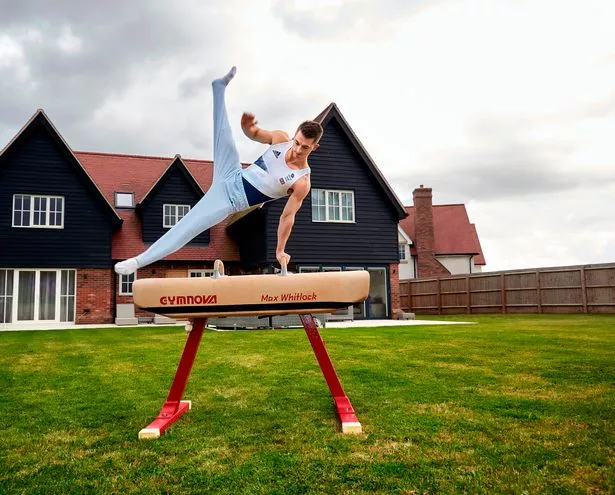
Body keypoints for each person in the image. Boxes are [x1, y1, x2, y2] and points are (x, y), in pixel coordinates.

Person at [114, 66, 323, 275]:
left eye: (304, 147)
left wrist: (280, 251)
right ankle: (219, 87)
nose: (297, 150)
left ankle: (137, 262)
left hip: (228, 201)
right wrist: (246, 127)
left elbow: (287, 217)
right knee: (225, 136)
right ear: (294, 135)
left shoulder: (301, 182)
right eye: (296, 142)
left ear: (314, 147)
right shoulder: (280, 139)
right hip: (231, 173)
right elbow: (254, 133)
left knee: (186, 229)